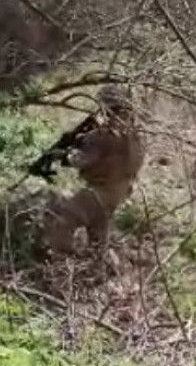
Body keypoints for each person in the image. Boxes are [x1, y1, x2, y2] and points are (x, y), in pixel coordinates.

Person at [41, 85, 145, 257]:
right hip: (118, 195)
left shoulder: (102, 136)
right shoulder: (135, 136)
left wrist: (66, 153)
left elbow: (80, 160)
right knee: (98, 240)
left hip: (97, 194)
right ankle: (97, 267)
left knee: (62, 220)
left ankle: (61, 261)